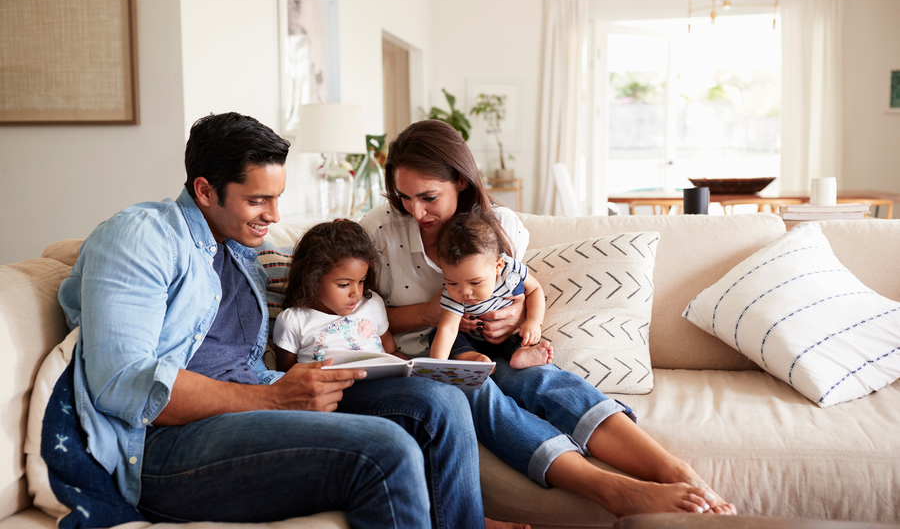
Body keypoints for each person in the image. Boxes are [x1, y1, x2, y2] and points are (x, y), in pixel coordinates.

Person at [58, 112, 517, 529]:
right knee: (386, 450)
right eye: (258, 200)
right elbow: (120, 383)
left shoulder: (239, 250)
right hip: (167, 445)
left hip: (262, 397)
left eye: (277, 199)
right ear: (203, 190)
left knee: (441, 402)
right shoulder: (142, 236)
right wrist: (274, 397)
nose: (274, 217)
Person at [360, 119, 738, 517]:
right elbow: (359, 317)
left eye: (428, 197)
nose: (415, 211)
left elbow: (518, 290)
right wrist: (428, 312)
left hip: (492, 346)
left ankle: (677, 471)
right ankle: (611, 490)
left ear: (460, 181)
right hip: (426, 359)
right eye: (404, 197)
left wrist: (515, 318)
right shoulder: (380, 230)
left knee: (543, 379)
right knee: (474, 392)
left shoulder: (498, 226)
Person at [272, 219, 406, 369]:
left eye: (361, 281)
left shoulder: (372, 303)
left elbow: (391, 352)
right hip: (333, 389)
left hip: (383, 383)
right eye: (344, 285)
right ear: (312, 279)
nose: (356, 293)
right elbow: (287, 375)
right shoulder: (293, 321)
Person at [431, 205, 552, 369]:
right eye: (452, 283)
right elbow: (448, 330)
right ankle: (472, 357)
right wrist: (436, 367)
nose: (465, 292)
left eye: (475, 282)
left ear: (498, 266)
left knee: (522, 336)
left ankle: (521, 354)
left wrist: (533, 321)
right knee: (437, 336)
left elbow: (535, 289)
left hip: (507, 335)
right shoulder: (452, 294)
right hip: (472, 341)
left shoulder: (509, 272)